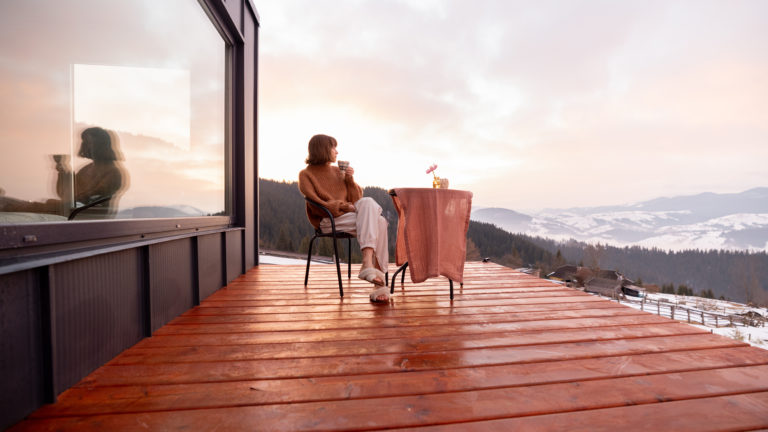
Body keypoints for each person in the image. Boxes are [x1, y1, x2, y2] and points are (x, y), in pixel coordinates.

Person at [298, 134, 390, 302]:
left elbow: (356, 201)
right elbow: (316, 204)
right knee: (377, 219)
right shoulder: (306, 175)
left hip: (348, 218)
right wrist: (342, 206)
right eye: (333, 148)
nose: (337, 152)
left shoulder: (338, 171)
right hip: (328, 221)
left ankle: (369, 266)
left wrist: (349, 180)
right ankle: (377, 281)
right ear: (323, 149)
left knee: (379, 219)